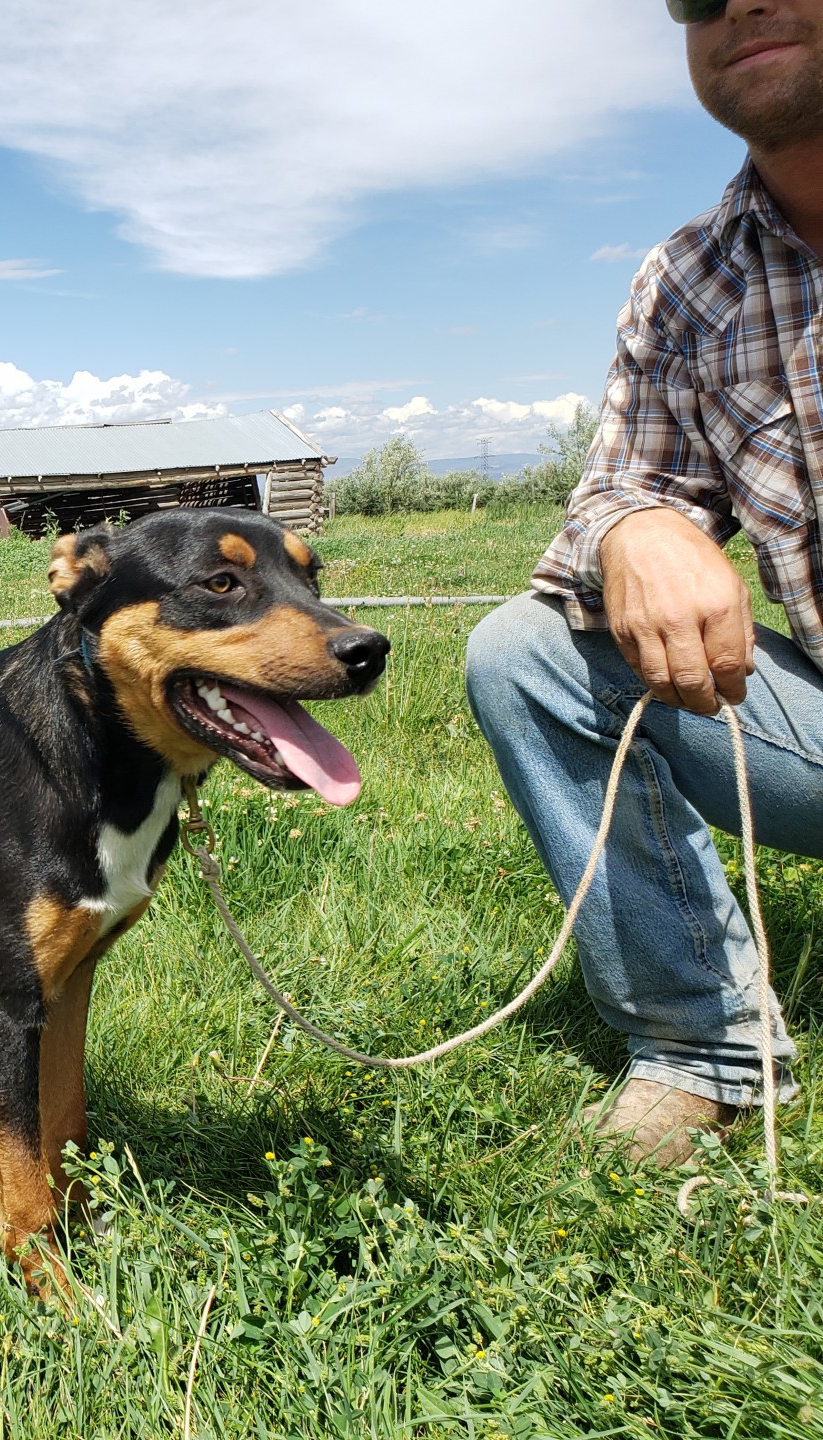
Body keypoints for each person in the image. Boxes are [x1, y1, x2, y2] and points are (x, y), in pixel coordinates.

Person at [464, 0, 823, 1165]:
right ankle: (704, 1048)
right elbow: (612, 494)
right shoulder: (689, 280)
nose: (742, 5)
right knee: (527, 652)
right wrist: (638, 526)